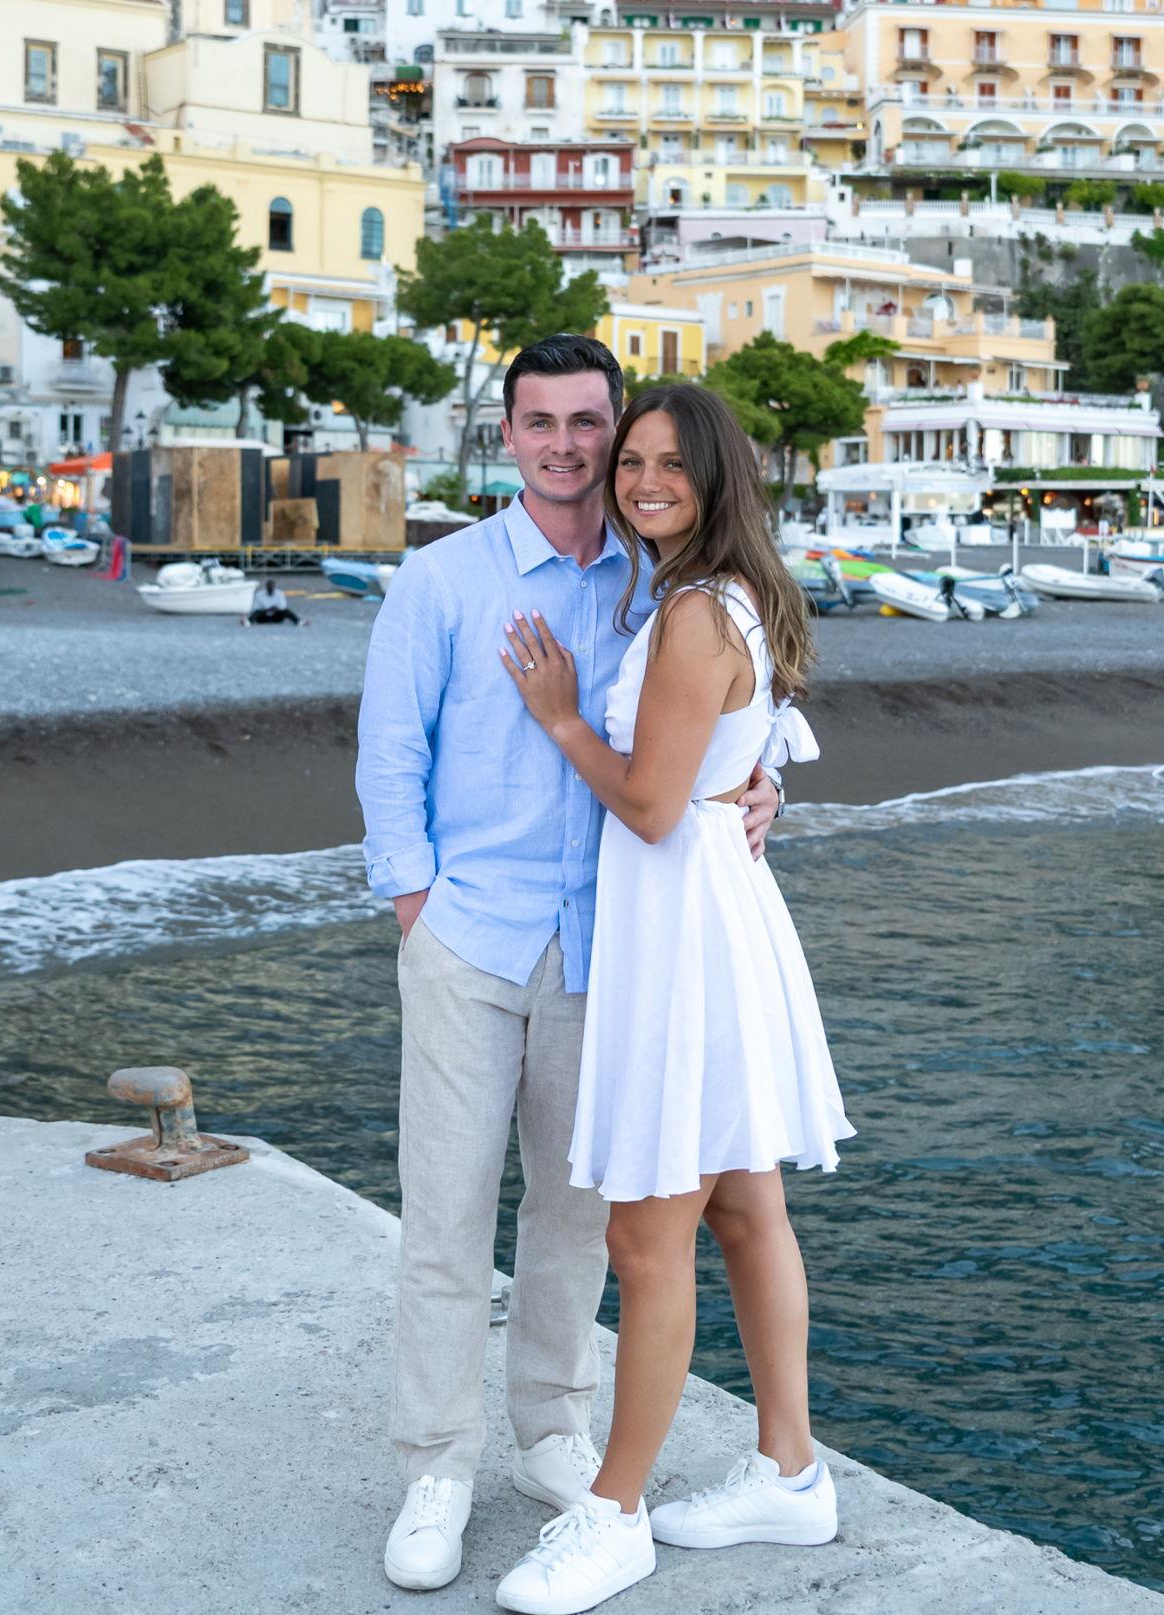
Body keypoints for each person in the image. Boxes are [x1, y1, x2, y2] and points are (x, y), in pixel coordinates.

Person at [357, 337, 780, 1596]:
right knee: (445, 1213)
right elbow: (389, 753)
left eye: (585, 422)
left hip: (615, 947)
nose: (564, 445)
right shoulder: (441, 578)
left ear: (616, 431)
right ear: (507, 434)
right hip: (470, 934)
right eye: (537, 422)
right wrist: (416, 906)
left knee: (576, 1214)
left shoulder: (660, 576)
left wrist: (767, 781)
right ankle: (437, 1465)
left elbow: (729, 707)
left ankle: (552, 1425)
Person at [491, 383, 852, 1615]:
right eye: (629, 461)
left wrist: (557, 718)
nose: (641, 481)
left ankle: (614, 1513)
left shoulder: (694, 610)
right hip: (710, 913)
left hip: (683, 929)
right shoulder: (725, 594)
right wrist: (748, 783)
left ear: (713, 478)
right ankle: (789, 1472)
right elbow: (744, 750)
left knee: (646, 1242)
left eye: (668, 465)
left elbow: (647, 804)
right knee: (743, 1210)